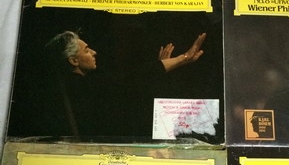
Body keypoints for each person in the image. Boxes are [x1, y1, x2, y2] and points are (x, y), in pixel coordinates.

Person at [44, 30, 206, 137]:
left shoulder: (71, 87)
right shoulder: (86, 88)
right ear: (73, 61)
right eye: (86, 50)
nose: (94, 52)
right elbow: (132, 81)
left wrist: (164, 66)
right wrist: (182, 57)